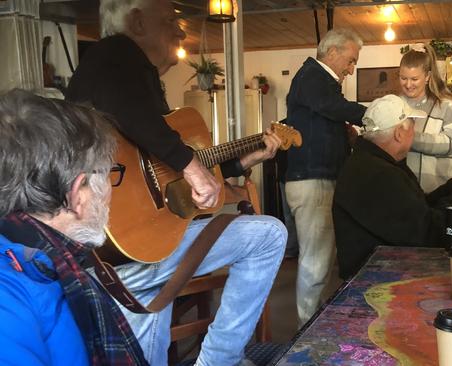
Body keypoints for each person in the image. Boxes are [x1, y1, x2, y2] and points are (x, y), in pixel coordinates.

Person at [66, 1, 287, 365]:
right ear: (137, 20)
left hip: (137, 247)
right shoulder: (115, 53)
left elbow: (163, 163)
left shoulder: (132, 78)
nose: (182, 31)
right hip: (113, 246)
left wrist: (244, 159)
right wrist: (189, 164)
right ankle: (220, 361)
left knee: (148, 338)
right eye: (171, 20)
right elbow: (132, 115)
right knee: (268, 236)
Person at [0, 89, 147, 366]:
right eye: (109, 175)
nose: (110, 193)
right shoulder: (10, 295)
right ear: (78, 192)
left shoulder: (50, 260)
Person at [333, 95, 452, 279]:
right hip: (378, 283)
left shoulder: (373, 163)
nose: (414, 132)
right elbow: (428, 235)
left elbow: (418, 209)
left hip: (383, 272)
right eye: (413, 126)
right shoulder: (377, 173)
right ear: (399, 134)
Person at [285, 28, 367, 325]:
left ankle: (314, 325)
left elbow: (325, 114)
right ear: (332, 53)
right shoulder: (312, 76)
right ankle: (306, 334)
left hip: (316, 179)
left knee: (321, 261)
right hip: (313, 181)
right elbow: (331, 107)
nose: (351, 68)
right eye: (350, 60)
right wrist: (373, 114)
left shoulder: (317, 80)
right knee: (315, 263)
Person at [399, 44, 452, 192]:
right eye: (403, 78)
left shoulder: (446, 104)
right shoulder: (396, 104)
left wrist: (410, 138)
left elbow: (451, 143)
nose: (408, 84)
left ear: (427, 76)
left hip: (439, 188)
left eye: (414, 79)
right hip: (405, 190)